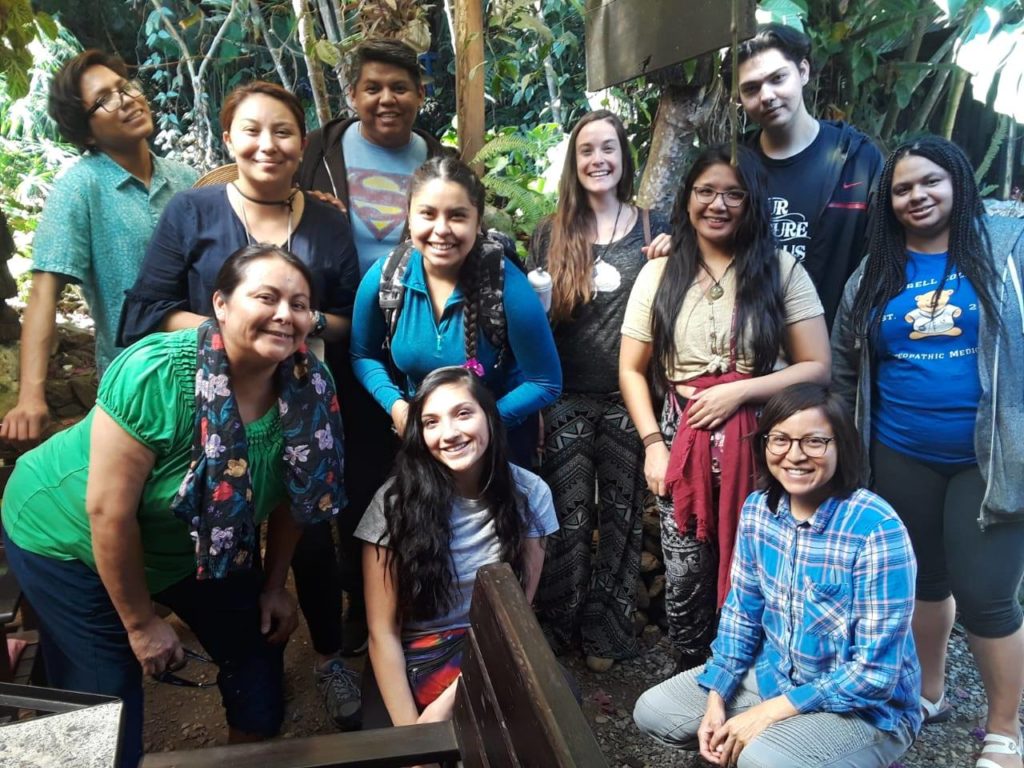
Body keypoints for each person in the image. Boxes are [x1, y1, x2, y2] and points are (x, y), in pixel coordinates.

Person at [1, 245, 345, 768]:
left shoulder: (310, 387)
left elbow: (296, 497)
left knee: (256, 649)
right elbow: (108, 514)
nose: (285, 314)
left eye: (300, 305)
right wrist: (141, 624)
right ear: (222, 304)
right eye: (266, 297)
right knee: (104, 709)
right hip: (66, 535)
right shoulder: (156, 372)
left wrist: (274, 585)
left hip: (199, 543)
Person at [117, 81, 363, 730]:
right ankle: (246, 650)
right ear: (230, 139)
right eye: (251, 129)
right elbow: (145, 310)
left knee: (305, 536)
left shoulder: (331, 223)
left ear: (301, 144)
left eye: (282, 131)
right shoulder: (190, 214)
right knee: (207, 531)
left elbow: (351, 317)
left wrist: (295, 335)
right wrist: (232, 339)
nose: (267, 144)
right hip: (206, 415)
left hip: (300, 411)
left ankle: (329, 656)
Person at [832, 135, 1024, 768]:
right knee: (923, 580)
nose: (917, 196)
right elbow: (844, 367)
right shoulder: (876, 272)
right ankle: (930, 692)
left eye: (930, 182)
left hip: (987, 458)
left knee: (986, 592)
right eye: (903, 188)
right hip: (899, 451)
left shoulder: (1004, 256)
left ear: (958, 183)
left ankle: (1004, 727)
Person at [619, 145, 830, 670]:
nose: (719, 204)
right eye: (706, 191)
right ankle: (693, 675)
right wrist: (652, 445)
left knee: (760, 559)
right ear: (688, 199)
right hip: (679, 434)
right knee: (685, 567)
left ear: (751, 201)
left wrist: (741, 391)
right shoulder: (659, 273)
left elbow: (816, 367)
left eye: (734, 193)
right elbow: (629, 369)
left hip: (763, 439)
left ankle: (758, 676)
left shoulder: (781, 270)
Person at [633, 383, 920, 768]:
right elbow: (741, 615)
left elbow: (875, 674)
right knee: (654, 711)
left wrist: (769, 715)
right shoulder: (758, 511)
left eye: (815, 442)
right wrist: (718, 697)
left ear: (841, 446)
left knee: (763, 760)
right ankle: (775, 740)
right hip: (774, 677)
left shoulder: (876, 529)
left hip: (866, 708)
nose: (795, 455)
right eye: (780, 439)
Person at [296, 37, 446, 662]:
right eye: (373, 87)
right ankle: (362, 598)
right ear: (353, 94)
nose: (387, 99)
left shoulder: (438, 157)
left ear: (420, 95)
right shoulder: (320, 154)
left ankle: (426, 593)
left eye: (401, 87)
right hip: (341, 336)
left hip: (421, 333)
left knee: (427, 467)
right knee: (358, 477)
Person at [527, 110, 670, 672]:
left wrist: (670, 258)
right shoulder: (550, 232)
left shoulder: (652, 226)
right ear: (574, 161)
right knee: (565, 515)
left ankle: (606, 632)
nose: (598, 160)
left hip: (626, 399)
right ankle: (558, 627)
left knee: (622, 515)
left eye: (608, 148)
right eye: (587, 150)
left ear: (624, 156)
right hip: (564, 395)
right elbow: (533, 325)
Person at [0, 49, 195, 446]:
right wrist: (31, 397)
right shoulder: (80, 186)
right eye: (104, 99)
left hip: (210, 372)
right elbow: (43, 292)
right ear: (86, 132)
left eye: (124, 88)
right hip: (135, 386)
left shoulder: (188, 179)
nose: (125, 100)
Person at [356, 365, 558, 726]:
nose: (448, 433)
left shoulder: (531, 494)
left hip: (491, 644)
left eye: (463, 413)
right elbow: (382, 633)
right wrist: (415, 740)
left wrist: (446, 703)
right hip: (409, 652)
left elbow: (516, 616)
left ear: (490, 419)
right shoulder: (393, 504)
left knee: (547, 727)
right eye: (431, 422)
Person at [350, 155, 562, 461]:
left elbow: (545, 381)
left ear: (478, 222)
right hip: (422, 442)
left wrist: (480, 425)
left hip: (498, 446)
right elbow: (362, 355)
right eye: (428, 214)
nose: (441, 229)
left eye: (457, 216)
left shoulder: (506, 285)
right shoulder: (387, 277)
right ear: (409, 218)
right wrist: (397, 407)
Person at [723, 23, 882, 327]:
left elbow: (882, 256)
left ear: (804, 72)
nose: (766, 96)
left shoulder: (858, 158)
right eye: (751, 88)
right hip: (751, 350)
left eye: (778, 78)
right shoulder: (733, 168)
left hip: (837, 347)